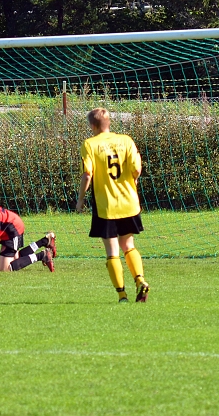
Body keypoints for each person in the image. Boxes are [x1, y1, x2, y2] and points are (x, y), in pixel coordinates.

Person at [76, 107, 150, 303]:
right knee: (128, 245)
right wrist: (132, 183)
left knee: (112, 251)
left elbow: (87, 174)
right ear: (109, 123)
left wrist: (81, 199)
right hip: (129, 204)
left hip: (106, 206)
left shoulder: (89, 144)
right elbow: (137, 168)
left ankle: (122, 296)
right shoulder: (126, 140)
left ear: (92, 125)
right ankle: (140, 280)